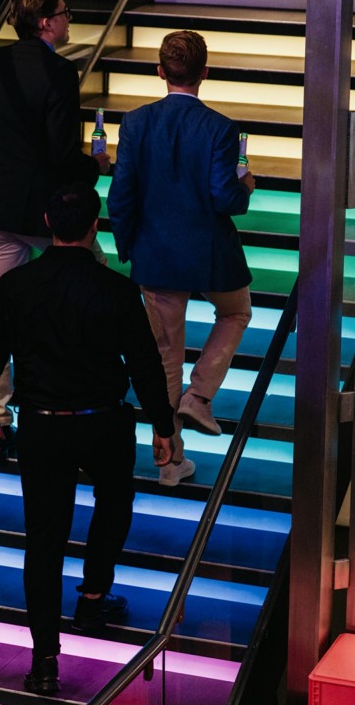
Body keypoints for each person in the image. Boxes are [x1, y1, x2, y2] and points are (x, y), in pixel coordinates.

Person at [0, 183, 174, 695]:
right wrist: (163, 425)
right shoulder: (117, 289)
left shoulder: (17, 286)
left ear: (47, 223)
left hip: (41, 424)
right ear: (95, 226)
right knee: (115, 501)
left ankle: (45, 662)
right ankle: (95, 596)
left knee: (44, 539)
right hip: (104, 421)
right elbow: (145, 364)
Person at [0, 0, 110, 451]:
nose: (68, 20)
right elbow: (62, 157)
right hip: (41, 210)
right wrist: (95, 167)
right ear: (45, 22)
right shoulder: (60, 74)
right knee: (94, 280)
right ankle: (77, 393)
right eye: (64, 13)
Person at [107, 30, 256, 487]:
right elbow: (224, 197)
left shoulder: (134, 123)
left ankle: (168, 462)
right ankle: (201, 395)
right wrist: (247, 184)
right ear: (205, 73)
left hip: (155, 253)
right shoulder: (220, 128)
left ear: (159, 71)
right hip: (210, 254)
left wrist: (128, 248)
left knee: (164, 355)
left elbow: (121, 196)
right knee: (236, 311)